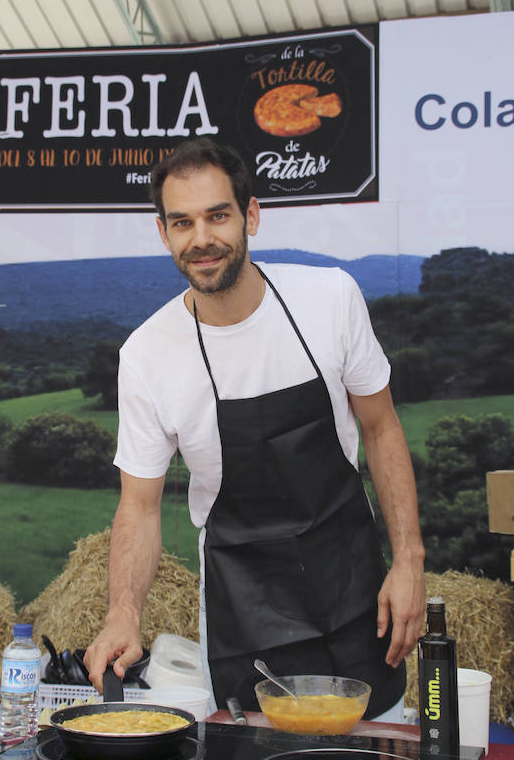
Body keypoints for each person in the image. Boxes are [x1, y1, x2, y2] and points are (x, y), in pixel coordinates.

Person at [84, 137, 425, 720]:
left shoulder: (330, 298)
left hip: (354, 584)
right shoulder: (146, 354)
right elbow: (138, 508)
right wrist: (123, 616)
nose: (202, 239)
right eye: (182, 223)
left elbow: (381, 428)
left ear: (252, 215)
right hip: (245, 601)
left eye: (218, 215)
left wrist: (409, 561)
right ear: (163, 234)